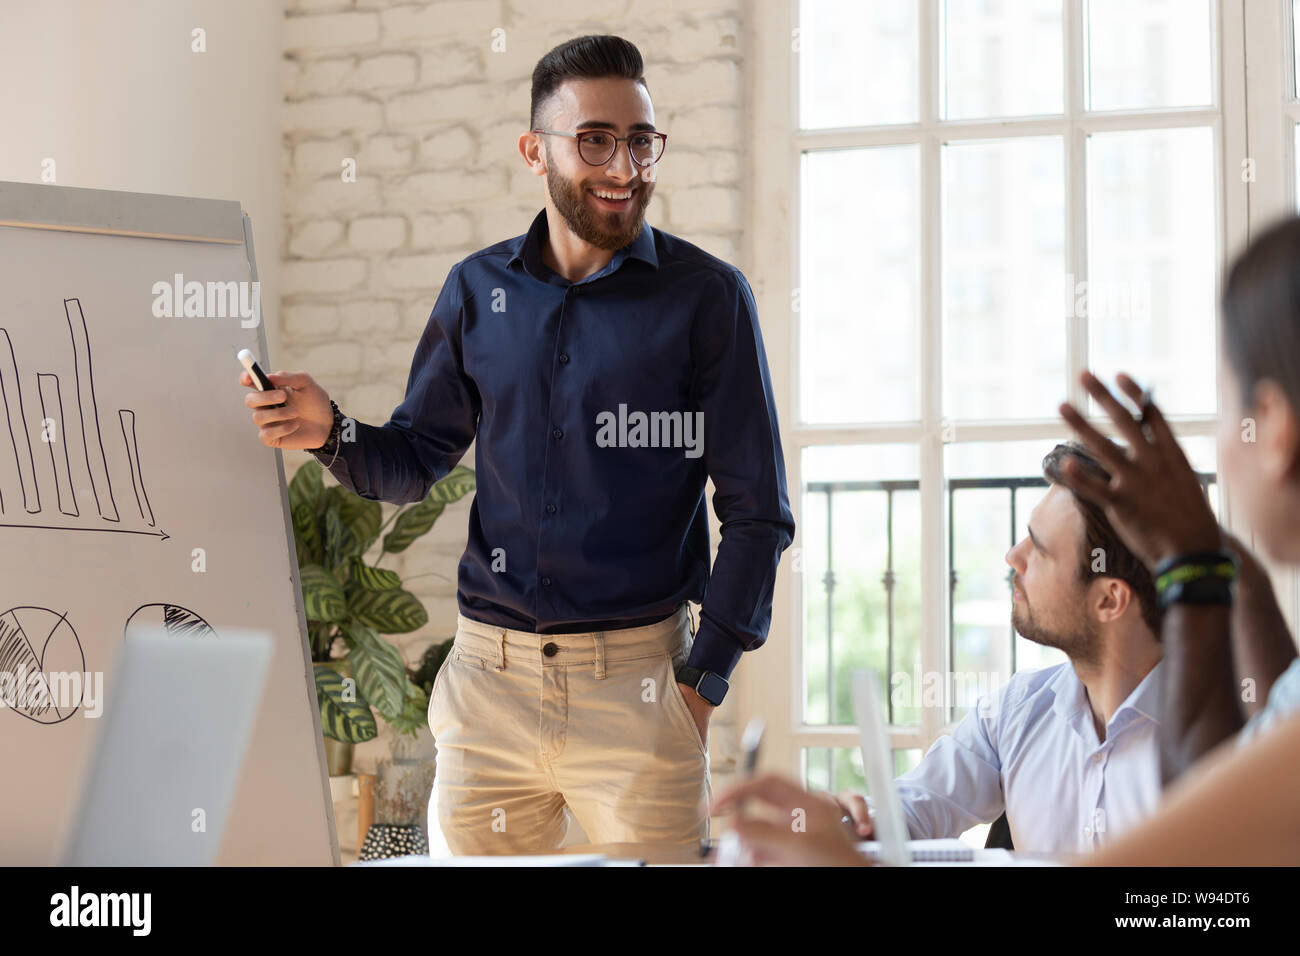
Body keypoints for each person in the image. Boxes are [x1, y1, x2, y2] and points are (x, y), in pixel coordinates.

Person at [241, 34, 794, 854]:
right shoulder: (477, 291)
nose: (625, 167)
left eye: (642, 141)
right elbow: (416, 458)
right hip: (487, 691)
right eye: (596, 140)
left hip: (641, 690)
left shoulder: (708, 299)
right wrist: (333, 432)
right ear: (536, 152)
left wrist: (701, 683)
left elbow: (757, 514)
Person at [717, 442, 1167, 857]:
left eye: (1041, 550)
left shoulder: (1208, 738)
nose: (1014, 555)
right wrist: (846, 826)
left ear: (1109, 599)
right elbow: (916, 808)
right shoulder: (1019, 711)